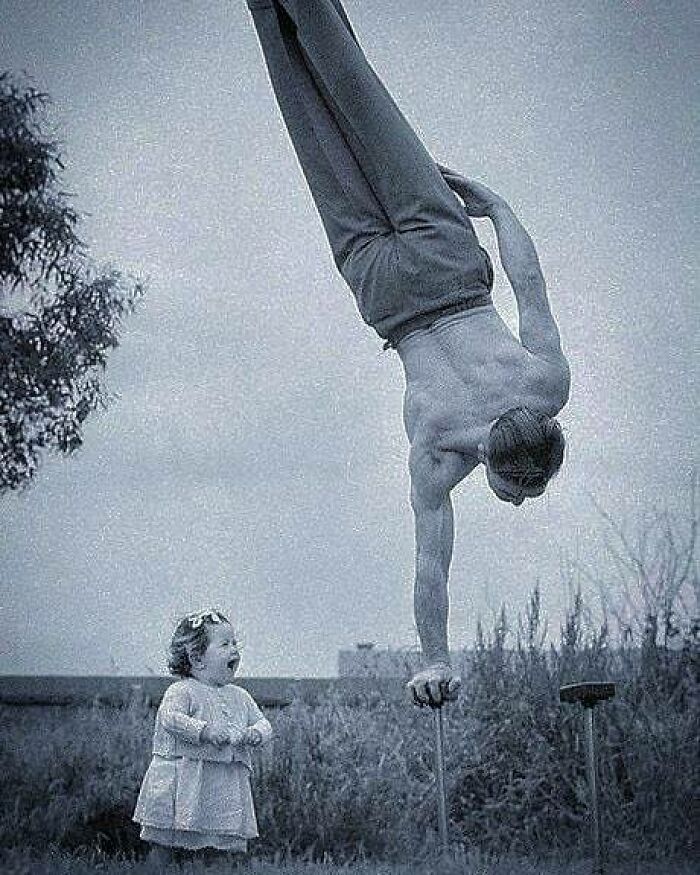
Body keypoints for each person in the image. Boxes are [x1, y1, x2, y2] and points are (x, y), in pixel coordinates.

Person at [244, 1, 570, 708]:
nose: (516, 505)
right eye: (520, 494)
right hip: (387, 294)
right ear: (491, 459)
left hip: (445, 257)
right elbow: (432, 562)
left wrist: (500, 208)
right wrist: (434, 659)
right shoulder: (438, 458)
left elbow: (530, 283)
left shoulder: (546, 385)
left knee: (355, 89)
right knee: (308, 113)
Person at [133, 609, 273, 865]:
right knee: (167, 837)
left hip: (222, 782)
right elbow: (170, 719)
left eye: (234, 644)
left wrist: (256, 733)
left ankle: (214, 865)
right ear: (197, 658)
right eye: (224, 644)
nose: (234, 650)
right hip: (184, 777)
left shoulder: (239, 696)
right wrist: (204, 731)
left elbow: (264, 723)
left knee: (220, 836)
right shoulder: (182, 690)